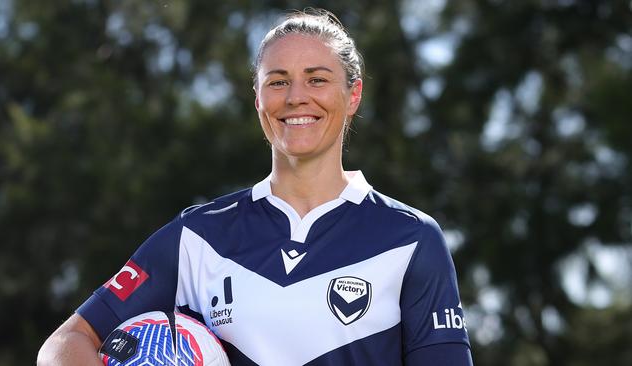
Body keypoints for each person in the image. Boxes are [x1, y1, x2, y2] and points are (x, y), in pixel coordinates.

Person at [38, 8, 473, 366]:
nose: (296, 97)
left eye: (317, 79)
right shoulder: (197, 236)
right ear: (258, 98)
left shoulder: (411, 239)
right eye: (278, 81)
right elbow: (64, 345)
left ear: (353, 95)